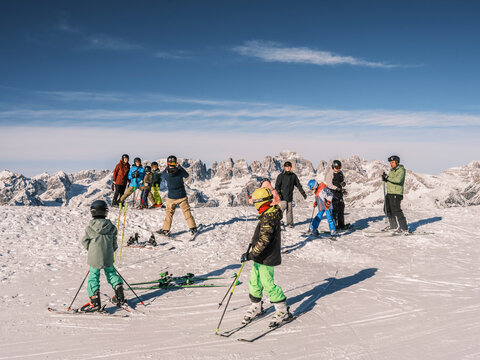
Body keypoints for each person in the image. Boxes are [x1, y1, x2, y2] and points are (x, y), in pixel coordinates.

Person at [241, 187, 291, 327]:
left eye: (255, 202)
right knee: (254, 281)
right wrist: (252, 249)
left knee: (268, 283)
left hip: (267, 257)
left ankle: (282, 310)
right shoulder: (266, 213)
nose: (254, 205)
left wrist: (251, 254)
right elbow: (260, 236)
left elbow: (265, 240)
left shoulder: (269, 217)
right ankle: (256, 306)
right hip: (260, 256)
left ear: (260, 202)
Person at [80, 200, 125, 312]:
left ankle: (95, 302)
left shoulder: (90, 228)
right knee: (111, 273)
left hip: (94, 257)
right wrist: (110, 251)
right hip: (108, 256)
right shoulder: (111, 227)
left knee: (93, 277)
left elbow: (85, 241)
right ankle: (120, 295)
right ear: (106, 212)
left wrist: (91, 250)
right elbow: (114, 243)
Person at [160, 155, 197, 236]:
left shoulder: (166, 174)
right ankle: (193, 228)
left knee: (169, 214)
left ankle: (165, 230)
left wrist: (167, 167)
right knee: (187, 212)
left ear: (168, 163)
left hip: (171, 197)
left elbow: (162, 174)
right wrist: (179, 167)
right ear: (176, 163)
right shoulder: (180, 172)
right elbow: (187, 175)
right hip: (182, 196)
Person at [274, 161, 307, 228]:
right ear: (284, 167)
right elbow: (277, 186)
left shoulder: (293, 176)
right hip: (282, 195)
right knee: (282, 208)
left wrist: (303, 193)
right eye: (286, 167)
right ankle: (277, 220)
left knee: (289, 210)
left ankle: (290, 223)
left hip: (289, 195)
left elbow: (298, 185)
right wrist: (279, 194)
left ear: (291, 167)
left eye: (289, 166)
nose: (288, 168)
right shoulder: (281, 176)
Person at [382, 155, 409, 234]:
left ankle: (404, 228)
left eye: (393, 162)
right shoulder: (392, 171)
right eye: (390, 162)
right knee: (387, 209)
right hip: (390, 192)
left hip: (396, 193)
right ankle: (393, 226)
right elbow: (390, 180)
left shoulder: (401, 170)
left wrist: (388, 178)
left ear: (397, 162)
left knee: (396, 210)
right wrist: (384, 179)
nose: (391, 164)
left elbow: (398, 180)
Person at [324, 160, 349, 229]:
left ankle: (341, 225)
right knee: (334, 210)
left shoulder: (340, 173)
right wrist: (336, 188)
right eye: (336, 167)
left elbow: (343, 180)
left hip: (339, 193)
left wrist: (343, 184)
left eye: (339, 167)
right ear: (333, 167)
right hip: (333, 194)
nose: (338, 169)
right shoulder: (330, 174)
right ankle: (334, 226)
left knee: (341, 208)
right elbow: (329, 184)